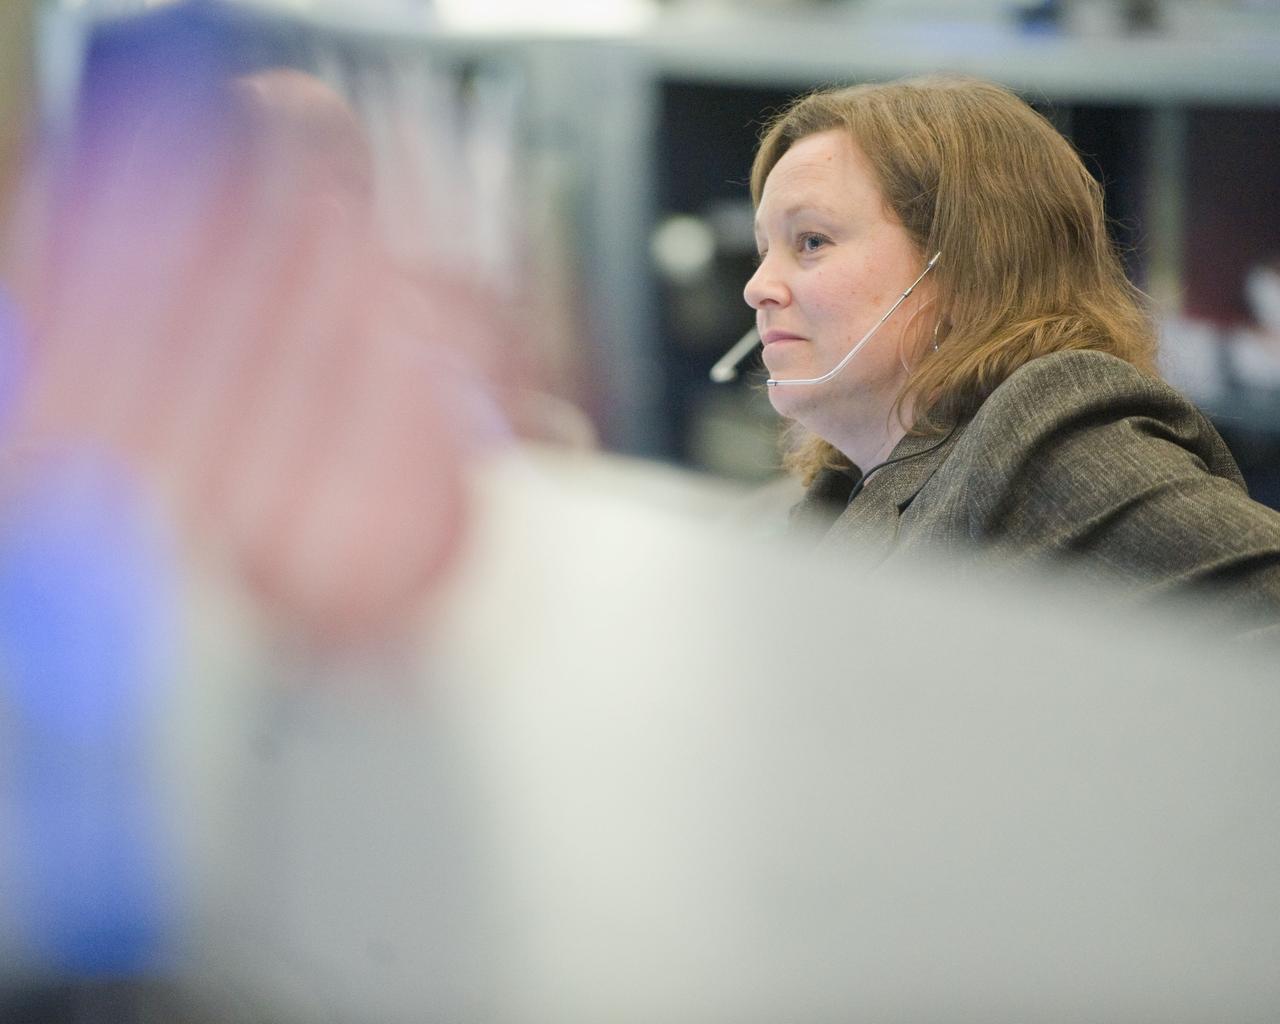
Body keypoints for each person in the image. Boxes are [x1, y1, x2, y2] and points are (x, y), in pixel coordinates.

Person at [742, 74, 1280, 632]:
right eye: (763, 251)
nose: (758, 287)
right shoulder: (841, 487)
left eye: (811, 241)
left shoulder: (1051, 432)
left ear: (964, 266)